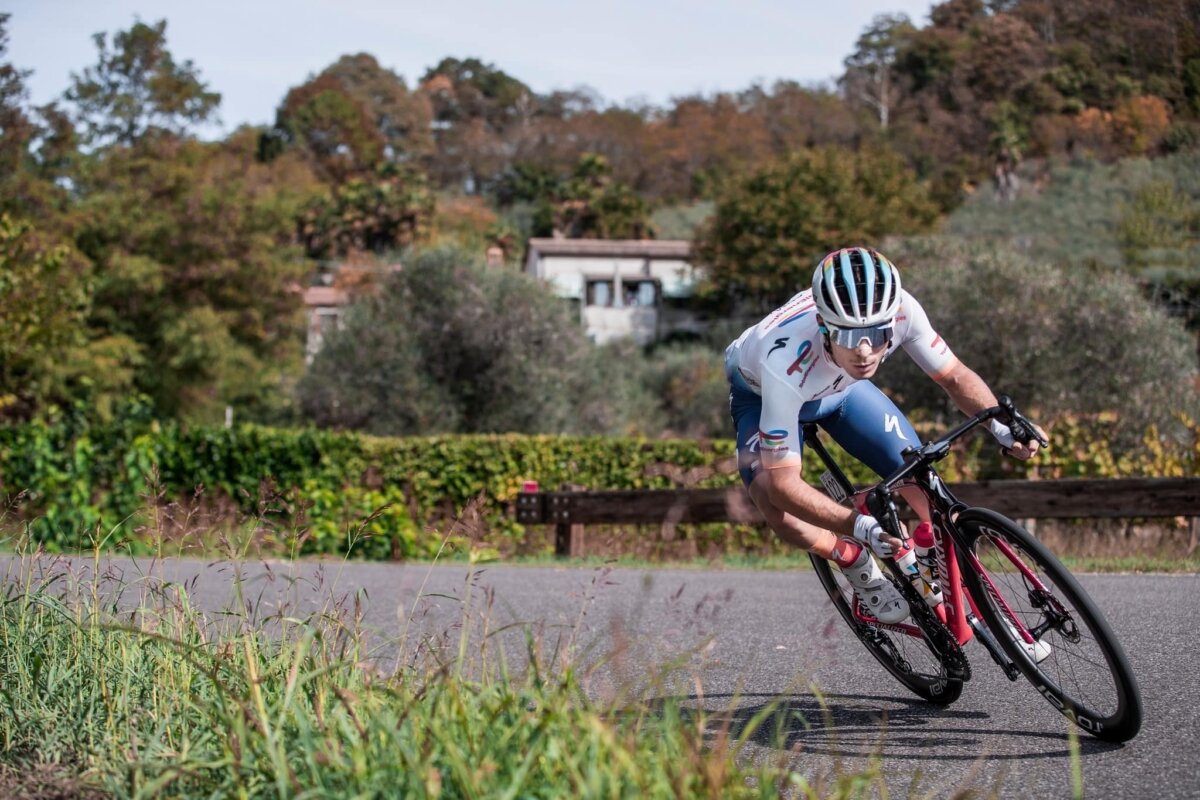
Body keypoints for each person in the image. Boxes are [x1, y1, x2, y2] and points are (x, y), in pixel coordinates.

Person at [724, 247, 1045, 623]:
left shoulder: (903, 309)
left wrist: (1000, 425)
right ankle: (852, 560)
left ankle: (930, 550)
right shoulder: (784, 361)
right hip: (763, 394)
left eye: (878, 335)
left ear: (891, 320)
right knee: (771, 501)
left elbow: (954, 376)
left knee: (920, 475)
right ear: (824, 325)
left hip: (842, 391)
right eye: (848, 334)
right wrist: (856, 527)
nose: (864, 351)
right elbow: (784, 484)